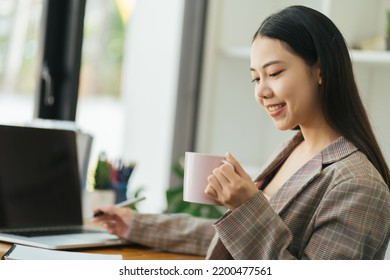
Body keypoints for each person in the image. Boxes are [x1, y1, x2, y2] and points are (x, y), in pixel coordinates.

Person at [92, 5, 390, 259]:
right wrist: (136, 225)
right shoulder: (292, 150)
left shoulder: (358, 185)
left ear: (321, 70)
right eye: (255, 78)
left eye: (274, 73)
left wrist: (247, 206)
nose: (262, 91)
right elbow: (231, 238)